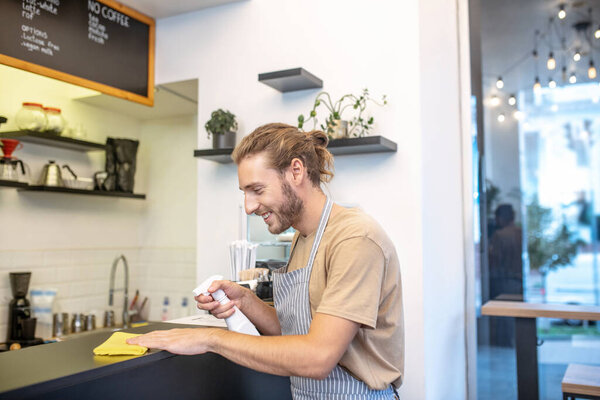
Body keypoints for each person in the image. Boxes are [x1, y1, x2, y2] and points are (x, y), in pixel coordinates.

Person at [128, 123, 404, 399]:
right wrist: (246, 302)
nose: (248, 206)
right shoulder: (302, 238)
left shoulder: (354, 238)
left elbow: (318, 356)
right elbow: (295, 331)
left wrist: (209, 339)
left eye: (257, 190)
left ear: (296, 171)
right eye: (244, 192)